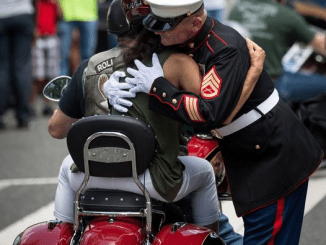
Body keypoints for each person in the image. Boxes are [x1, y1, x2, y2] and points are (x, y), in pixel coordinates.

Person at [48, 0, 265, 241]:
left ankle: (64, 231)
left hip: (90, 177)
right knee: (203, 172)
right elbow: (212, 114)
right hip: (151, 180)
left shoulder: (90, 66)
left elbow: (56, 129)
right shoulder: (177, 62)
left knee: (68, 165)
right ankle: (210, 237)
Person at [110, 0, 323, 244]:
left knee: (266, 237)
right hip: (243, 147)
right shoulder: (177, 35)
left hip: (271, 154)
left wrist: (158, 87)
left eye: (164, 27)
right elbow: (138, 51)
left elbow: (209, 114)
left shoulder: (225, 48)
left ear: (195, 23)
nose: (157, 31)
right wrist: (115, 80)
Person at [228, 0, 326, 103]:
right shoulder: (287, 15)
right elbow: (321, 45)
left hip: (236, 82)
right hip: (269, 86)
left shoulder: (238, 7)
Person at [0, 0, 34, 129]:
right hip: (22, 14)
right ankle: (22, 116)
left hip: (2, 16)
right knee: (22, 67)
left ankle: (1, 115)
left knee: (2, 68)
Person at [30, 0, 60, 116]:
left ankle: (47, 104)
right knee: (37, 75)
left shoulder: (54, 2)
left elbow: (61, 15)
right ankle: (31, 104)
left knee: (51, 74)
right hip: (39, 38)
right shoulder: (36, 2)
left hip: (52, 37)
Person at [54, 0, 98, 76]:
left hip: (89, 14)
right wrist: (57, 5)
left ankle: (86, 83)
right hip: (65, 13)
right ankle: (62, 85)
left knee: (88, 56)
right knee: (62, 56)